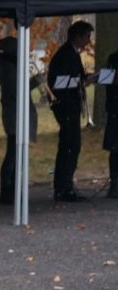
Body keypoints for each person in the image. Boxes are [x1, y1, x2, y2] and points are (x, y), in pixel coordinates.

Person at [48, 20, 95, 202]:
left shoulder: (72, 54)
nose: (88, 41)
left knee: (72, 146)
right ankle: (63, 187)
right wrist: (81, 81)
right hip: (66, 106)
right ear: (78, 37)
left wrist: (89, 78)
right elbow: (58, 82)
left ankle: (66, 185)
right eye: (86, 37)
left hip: (71, 106)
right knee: (69, 146)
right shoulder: (65, 55)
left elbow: (78, 76)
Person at [0, 36, 39, 205]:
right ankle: (8, 191)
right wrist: (35, 81)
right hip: (14, 113)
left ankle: (12, 189)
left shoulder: (9, 65)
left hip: (15, 112)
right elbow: (16, 89)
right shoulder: (8, 67)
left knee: (15, 153)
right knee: (13, 153)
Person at [103, 48, 118, 198]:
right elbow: (109, 81)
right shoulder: (113, 59)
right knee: (115, 147)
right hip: (115, 107)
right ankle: (115, 182)